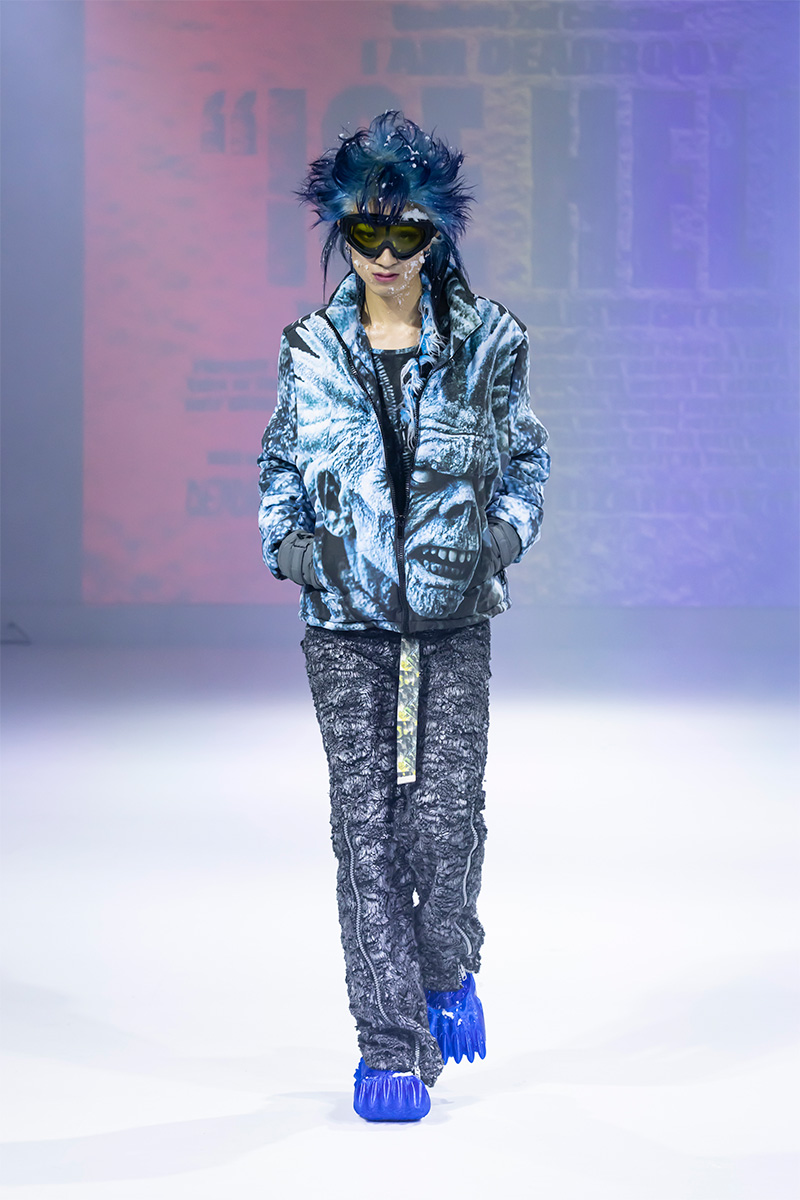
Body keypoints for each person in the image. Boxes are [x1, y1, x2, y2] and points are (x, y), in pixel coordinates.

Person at [257, 111, 550, 1122]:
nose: (385, 255)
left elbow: (526, 459)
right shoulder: (310, 348)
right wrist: (291, 546)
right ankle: (387, 1045)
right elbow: (279, 464)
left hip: (453, 617)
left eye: (406, 233)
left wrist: (500, 538)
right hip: (343, 624)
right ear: (342, 233)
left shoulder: (491, 343)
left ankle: (448, 966)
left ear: (437, 233)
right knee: (366, 833)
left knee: (445, 820)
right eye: (365, 233)